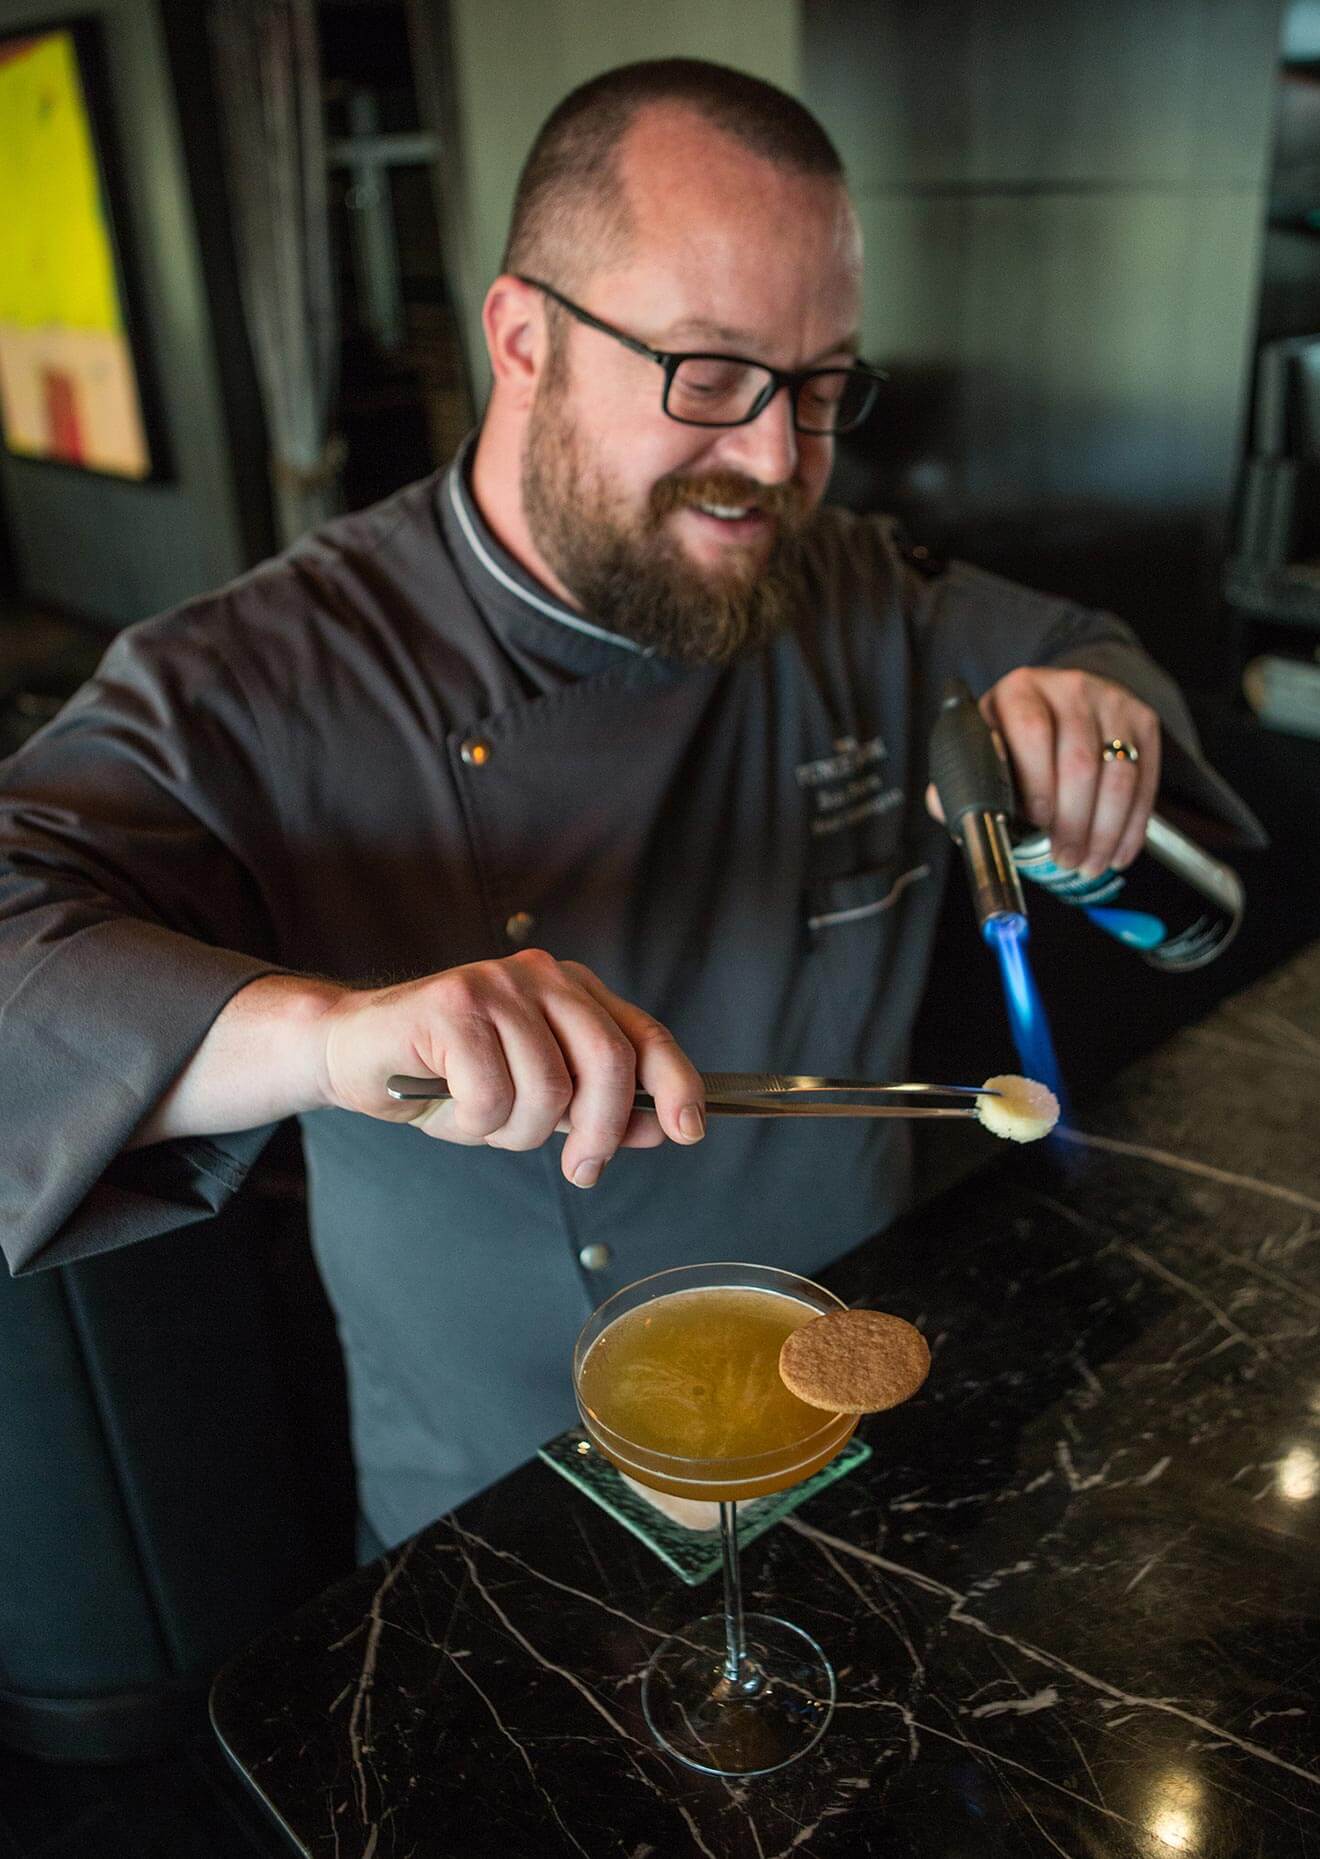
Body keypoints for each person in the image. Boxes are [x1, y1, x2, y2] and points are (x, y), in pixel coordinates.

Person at [0, 59, 1260, 1552]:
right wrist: (326, 1038)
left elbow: (1089, 669)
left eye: (821, 386)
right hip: (498, 1486)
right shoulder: (265, 668)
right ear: (523, 336)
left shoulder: (855, 587)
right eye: (711, 376)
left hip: (852, 1407)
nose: (778, 459)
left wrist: (1092, 733)